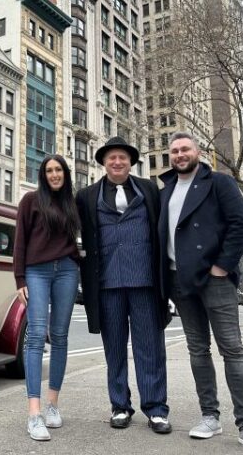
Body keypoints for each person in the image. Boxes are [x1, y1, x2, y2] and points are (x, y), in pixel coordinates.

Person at [159, 131, 243, 454]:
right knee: (197, 351)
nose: (180, 155)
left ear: (198, 152)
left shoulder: (220, 183)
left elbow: (241, 224)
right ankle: (210, 416)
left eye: (185, 149)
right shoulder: (166, 188)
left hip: (214, 278)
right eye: (174, 151)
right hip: (179, 280)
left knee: (232, 350)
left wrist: (222, 266)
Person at [75, 136, 172, 435]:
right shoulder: (86, 196)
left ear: (131, 162)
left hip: (145, 280)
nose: (117, 162)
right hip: (107, 284)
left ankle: (156, 409)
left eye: (123, 158)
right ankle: (119, 406)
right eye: (111, 158)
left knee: (150, 349)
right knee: (114, 349)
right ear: (103, 163)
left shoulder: (149, 190)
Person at [13, 154, 81, 441]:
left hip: (67, 270)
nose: (54, 174)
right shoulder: (30, 201)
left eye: (59, 170)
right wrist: (19, 278)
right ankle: (34, 413)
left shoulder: (71, 203)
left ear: (65, 173)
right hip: (36, 272)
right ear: (43, 175)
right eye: (49, 170)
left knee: (61, 336)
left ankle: (53, 405)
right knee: (36, 336)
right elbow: (20, 240)